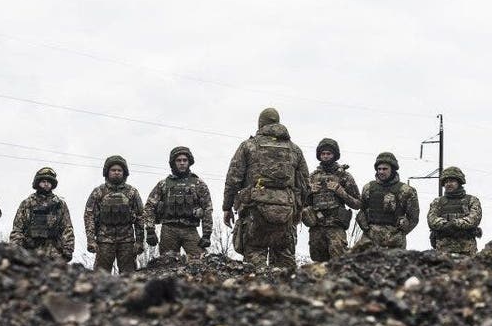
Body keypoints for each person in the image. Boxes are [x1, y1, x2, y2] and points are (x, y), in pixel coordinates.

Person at [222, 108, 309, 269]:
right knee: (284, 264)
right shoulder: (294, 149)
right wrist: (298, 209)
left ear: (261, 124)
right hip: (286, 213)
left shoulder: (248, 146)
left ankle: (258, 291)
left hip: (255, 212)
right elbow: (305, 184)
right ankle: (284, 291)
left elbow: (233, 179)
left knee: (255, 261)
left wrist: (227, 207)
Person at [145, 146, 213, 260]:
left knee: (200, 261)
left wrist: (207, 234)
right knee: (167, 264)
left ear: (189, 162)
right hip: (169, 230)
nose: (182, 163)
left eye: (185, 160)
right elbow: (149, 207)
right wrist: (150, 230)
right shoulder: (163, 184)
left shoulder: (198, 183)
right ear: (173, 163)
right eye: (178, 160)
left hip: (190, 230)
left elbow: (207, 208)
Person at [301, 138, 361, 262]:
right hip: (317, 227)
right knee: (318, 265)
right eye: (323, 154)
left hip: (336, 227)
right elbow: (301, 203)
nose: (326, 156)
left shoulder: (344, 176)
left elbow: (357, 204)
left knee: (338, 263)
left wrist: (341, 192)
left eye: (329, 153)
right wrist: (309, 192)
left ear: (335, 155)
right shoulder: (312, 177)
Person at [84, 155, 145, 273]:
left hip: (127, 241)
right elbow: (89, 215)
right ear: (107, 172)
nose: (116, 173)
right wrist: (91, 240)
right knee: (100, 276)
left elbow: (140, 217)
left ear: (124, 173)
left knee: (129, 276)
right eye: (113, 170)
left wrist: (139, 241)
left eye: (119, 170)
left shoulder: (132, 192)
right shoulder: (99, 192)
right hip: (104, 241)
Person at [354, 152, 420, 249]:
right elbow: (362, 210)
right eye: (379, 169)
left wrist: (400, 234)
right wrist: (367, 229)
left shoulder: (406, 190)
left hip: (394, 241)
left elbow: (414, 218)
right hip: (370, 239)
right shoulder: (368, 188)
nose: (381, 172)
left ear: (392, 170)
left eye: (385, 169)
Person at [9, 167, 74, 261]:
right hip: (30, 252)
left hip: (55, 253)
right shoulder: (27, 203)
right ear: (38, 182)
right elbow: (17, 229)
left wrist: (68, 249)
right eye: (43, 181)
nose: (46, 184)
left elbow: (67, 228)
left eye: (49, 181)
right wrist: (15, 249)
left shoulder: (60, 204)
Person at [427, 166, 483, 255]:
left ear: (459, 182)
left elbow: (474, 219)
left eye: (452, 181)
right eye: (446, 182)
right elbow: (432, 219)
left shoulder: (472, 200)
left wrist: (454, 224)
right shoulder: (437, 202)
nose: (448, 184)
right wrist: (445, 225)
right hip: (443, 249)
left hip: (466, 249)